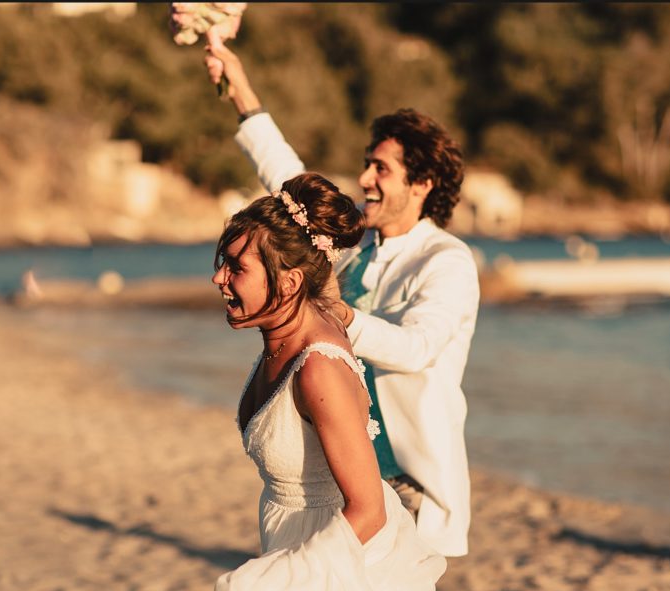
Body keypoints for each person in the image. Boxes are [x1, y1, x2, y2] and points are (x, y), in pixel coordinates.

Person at [205, 39, 480, 558]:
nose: (364, 179)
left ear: (421, 183)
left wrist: (337, 315)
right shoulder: (350, 244)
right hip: (328, 471)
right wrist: (240, 89)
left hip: (403, 481)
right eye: (366, 165)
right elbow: (288, 185)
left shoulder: (447, 261)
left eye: (381, 169)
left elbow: (419, 348)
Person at [211, 171, 450, 591]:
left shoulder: (319, 368)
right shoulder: (290, 320)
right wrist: (246, 107)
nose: (219, 279)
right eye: (222, 263)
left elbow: (369, 510)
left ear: (290, 281)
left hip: (349, 560)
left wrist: (285, 583)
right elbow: (300, 221)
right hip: (295, 537)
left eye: (236, 267)